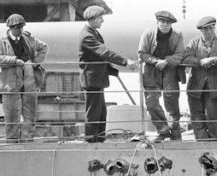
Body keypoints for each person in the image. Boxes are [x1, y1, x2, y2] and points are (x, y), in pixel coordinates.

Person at [78, 6, 136, 143]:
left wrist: (112, 70)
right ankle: (91, 141)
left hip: (97, 79)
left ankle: (99, 140)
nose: (102, 20)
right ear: (92, 19)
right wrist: (125, 61)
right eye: (100, 18)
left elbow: (100, 56)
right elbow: (104, 52)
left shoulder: (93, 33)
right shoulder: (87, 36)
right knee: (94, 113)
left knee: (101, 112)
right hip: (92, 80)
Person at [0, 14, 49, 143]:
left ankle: (28, 140)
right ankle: (12, 141)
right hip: (10, 84)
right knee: (12, 115)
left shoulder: (27, 38)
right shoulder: (1, 40)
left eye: (21, 27)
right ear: (10, 28)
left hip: (29, 82)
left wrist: (35, 62)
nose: (19, 30)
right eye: (16, 28)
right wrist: (14, 60)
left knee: (30, 114)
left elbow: (44, 47)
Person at [138, 11, 186, 142]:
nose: (165, 25)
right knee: (151, 102)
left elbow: (180, 54)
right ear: (157, 22)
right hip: (152, 70)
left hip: (170, 70)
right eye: (162, 22)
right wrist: (155, 61)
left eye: (168, 23)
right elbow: (142, 53)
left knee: (171, 101)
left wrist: (166, 61)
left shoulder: (177, 35)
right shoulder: (148, 33)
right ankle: (163, 130)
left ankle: (175, 132)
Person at [184, 17, 217, 141]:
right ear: (201, 30)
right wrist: (199, 62)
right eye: (205, 29)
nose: (208, 31)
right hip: (195, 85)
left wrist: (213, 60)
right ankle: (202, 140)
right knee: (196, 115)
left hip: (213, 86)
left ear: (214, 28)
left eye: (211, 28)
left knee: (212, 114)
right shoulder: (194, 43)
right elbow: (186, 58)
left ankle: (214, 139)